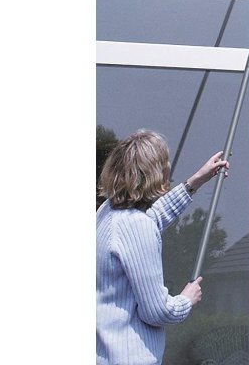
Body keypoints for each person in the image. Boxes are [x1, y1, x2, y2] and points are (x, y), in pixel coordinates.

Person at [96, 129, 229, 365]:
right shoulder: (137, 225)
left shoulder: (106, 213)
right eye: (165, 163)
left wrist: (195, 181)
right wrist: (186, 300)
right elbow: (156, 312)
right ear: (155, 173)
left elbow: (152, 218)